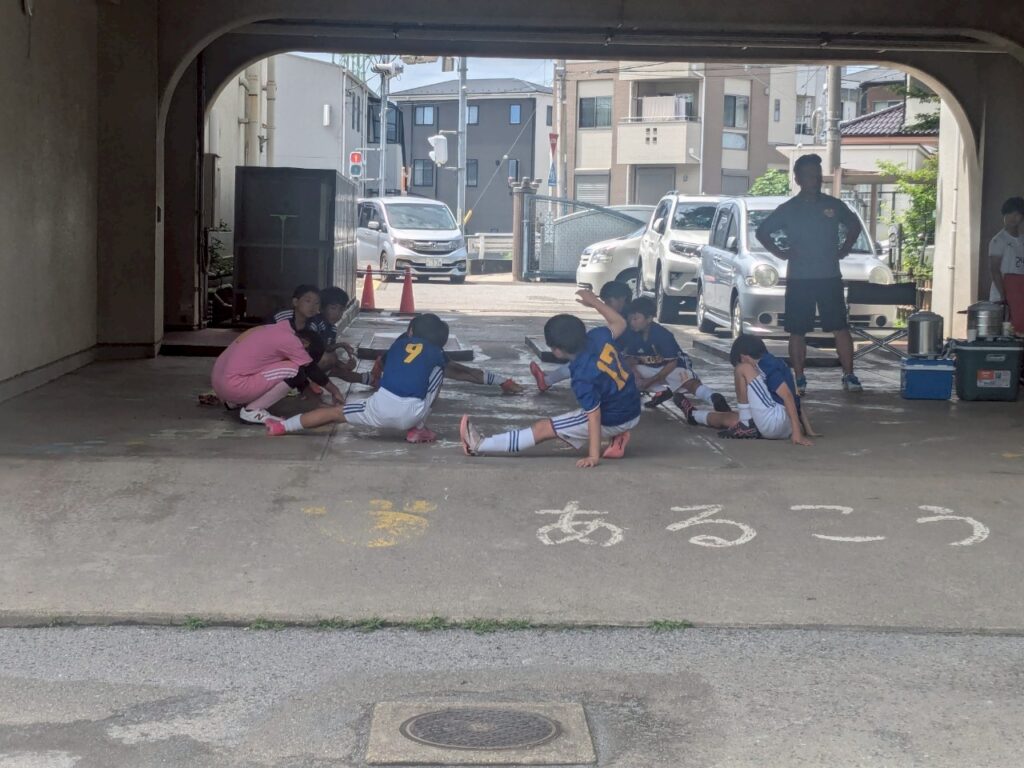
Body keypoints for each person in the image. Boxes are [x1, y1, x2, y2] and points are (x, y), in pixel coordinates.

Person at [461, 289, 641, 468]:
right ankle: (619, 435)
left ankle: (479, 445)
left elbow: (594, 416)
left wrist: (593, 456)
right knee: (590, 382)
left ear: (557, 350)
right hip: (632, 405)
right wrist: (594, 302)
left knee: (543, 428)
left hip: (617, 417)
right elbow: (620, 322)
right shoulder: (598, 335)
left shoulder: (582, 378)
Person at [755, 153, 864, 394]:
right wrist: (781, 253)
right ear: (798, 179)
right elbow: (762, 232)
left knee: (840, 327)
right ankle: (800, 378)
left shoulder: (833, 204)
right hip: (799, 278)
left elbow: (854, 225)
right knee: (797, 330)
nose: (814, 179)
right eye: (808, 175)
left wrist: (844, 249)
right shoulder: (788, 209)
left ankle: (849, 375)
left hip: (829, 277)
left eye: (817, 174)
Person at [266, 313, 450, 443]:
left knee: (335, 413)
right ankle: (417, 429)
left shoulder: (398, 345)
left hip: (379, 407)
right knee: (437, 374)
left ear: (410, 331)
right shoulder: (437, 353)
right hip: (413, 413)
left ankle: (282, 427)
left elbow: (390, 370)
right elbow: (430, 384)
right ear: (441, 341)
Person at [687, 335, 814, 446]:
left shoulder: (766, 364)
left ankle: (746, 423)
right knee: (732, 419)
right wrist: (807, 430)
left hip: (775, 421)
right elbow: (795, 398)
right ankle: (694, 415)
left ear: (743, 357)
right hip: (785, 427)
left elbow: (787, 396)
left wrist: (797, 433)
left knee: (742, 369)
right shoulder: (776, 363)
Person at [620, 296, 731, 413]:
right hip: (650, 367)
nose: (631, 322)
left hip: (673, 366)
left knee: (688, 383)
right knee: (624, 372)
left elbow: (672, 362)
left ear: (649, 318)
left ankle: (713, 398)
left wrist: (652, 380)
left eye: (635, 319)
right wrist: (637, 377)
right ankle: (662, 391)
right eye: (630, 319)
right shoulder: (631, 334)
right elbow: (628, 360)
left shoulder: (663, 335)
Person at [211, 320, 322, 425]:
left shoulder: (270, 329)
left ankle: (234, 402)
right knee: (295, 370)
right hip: (234, 387)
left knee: (275, 366)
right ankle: (252, 410)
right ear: (305, 344)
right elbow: (308, 369)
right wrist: (330, 393)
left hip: (219, 385)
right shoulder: (291, 342)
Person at [530, 280, 633, 392]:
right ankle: (548, 379)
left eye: (609, 302)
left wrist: (595, 303)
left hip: (628, 359)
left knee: (584, 359)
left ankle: (547, 380)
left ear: (622, 298)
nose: (606, 306)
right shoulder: (623, 313)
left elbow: (619, 326)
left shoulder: (630, 317)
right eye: (604, 303)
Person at [988, 197, 1024, 333]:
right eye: (1009, 214)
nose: (1013, 218)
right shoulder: (998, 240)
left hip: (1020, 295)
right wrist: (1004, 296)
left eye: (1017, 214)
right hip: (1001, 298)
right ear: (1004, 215)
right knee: (1004, 334)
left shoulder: (1022, 240)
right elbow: (994, 270)